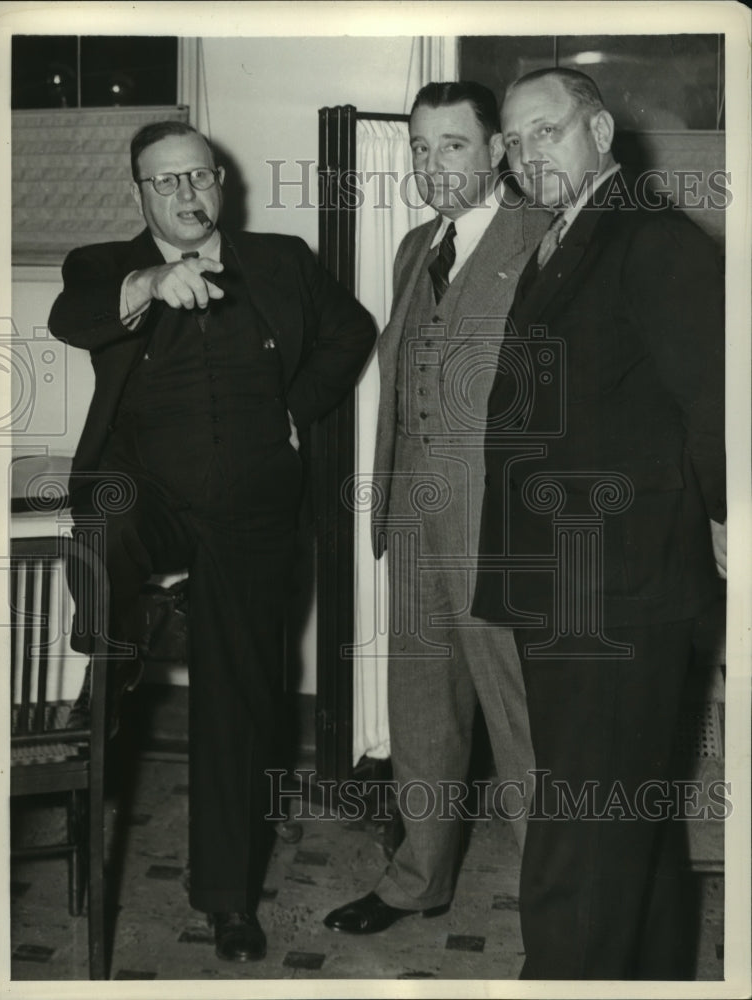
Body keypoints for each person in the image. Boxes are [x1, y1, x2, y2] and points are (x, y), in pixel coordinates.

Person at [48, 120, 375, 963]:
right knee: (107, 518)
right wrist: (154, 280)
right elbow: (74, 317)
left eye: (201, 177)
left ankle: (228, 899)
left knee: (241, 694)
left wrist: (295, 411)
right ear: (140, 194)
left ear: (220, 184)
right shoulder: (101, 264)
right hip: (149, 487)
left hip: (251, 505)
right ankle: (117, 643)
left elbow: (352, 329)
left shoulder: (283, 259)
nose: (188, 194)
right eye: (167, 182)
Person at [472, 68, 726, 979]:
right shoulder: (563, 238)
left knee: (578, 826)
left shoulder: (652, 240)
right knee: (630, 814)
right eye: (512, 138)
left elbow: (719, 405)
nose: (525, 153)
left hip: (622, 588)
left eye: (546, 132)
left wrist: (727, 525)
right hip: (574, 579)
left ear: (601, 130)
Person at [324, 82, 548, 935]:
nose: (431, 163)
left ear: (496, 151)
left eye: (452, 145)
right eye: (419, 147)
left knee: (519, 720)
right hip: (414, 514)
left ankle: (552, 908)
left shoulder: (544, 237)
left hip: (497, 524)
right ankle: (418, 878)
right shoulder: (418, 244)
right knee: (421, 708)